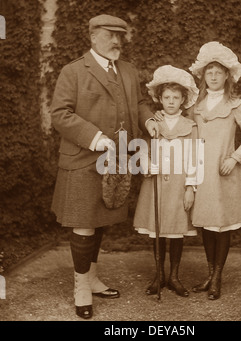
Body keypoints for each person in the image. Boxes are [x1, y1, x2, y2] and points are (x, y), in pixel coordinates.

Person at [50, 14, 158, 319]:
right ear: (93, 36)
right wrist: (94, 137)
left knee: (99, 222)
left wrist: (148, 119)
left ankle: (93, 278)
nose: (116, 42)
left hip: (117, 161)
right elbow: (60, 114)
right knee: (84, 224)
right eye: (110, 35)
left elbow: (137, 104)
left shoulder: (128, 70)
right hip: (84, 159)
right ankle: (81, 287)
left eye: (120, 36)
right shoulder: (73, 71)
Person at [188, 41, 241, 300]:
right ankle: (209, 274)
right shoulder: (195, 106)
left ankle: (218, 276)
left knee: (222, 227)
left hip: (224, 173)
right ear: (203, 76)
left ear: (227, 75)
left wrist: (235, 158)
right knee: (207, 226)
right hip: (201, 174)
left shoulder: (235, 105)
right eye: (209, 71)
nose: (214, 76)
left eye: (219, 71)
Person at [133, 65, 201, 297]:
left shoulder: (190, 126)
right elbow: (143, 149)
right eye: (167, 97)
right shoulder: (154, 124)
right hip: (157, 186)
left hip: (179, 186)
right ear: (159, 99)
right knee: (159, 231)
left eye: (176, 97)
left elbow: (195, 158)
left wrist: (190, 187)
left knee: (176, 232)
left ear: (183, 100)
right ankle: (159, 275)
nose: (171, 101)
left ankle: (174, 275)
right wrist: (146, 163)